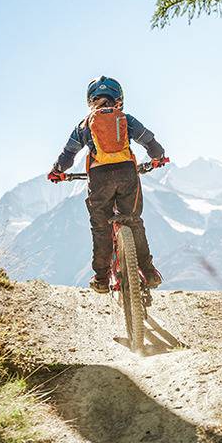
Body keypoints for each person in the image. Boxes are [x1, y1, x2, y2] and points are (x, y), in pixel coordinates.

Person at [48, 76, 166, 293]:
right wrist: (158, 158)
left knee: (101, 227)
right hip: (127, 174)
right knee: (133, 221)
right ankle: (149, 272)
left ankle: (101, 279)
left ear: (90, 99)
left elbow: (68, 155)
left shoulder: (84, 125)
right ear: (119, 98)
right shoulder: (126, 119)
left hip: (99, 178)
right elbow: (150, 142)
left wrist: (57, 171)